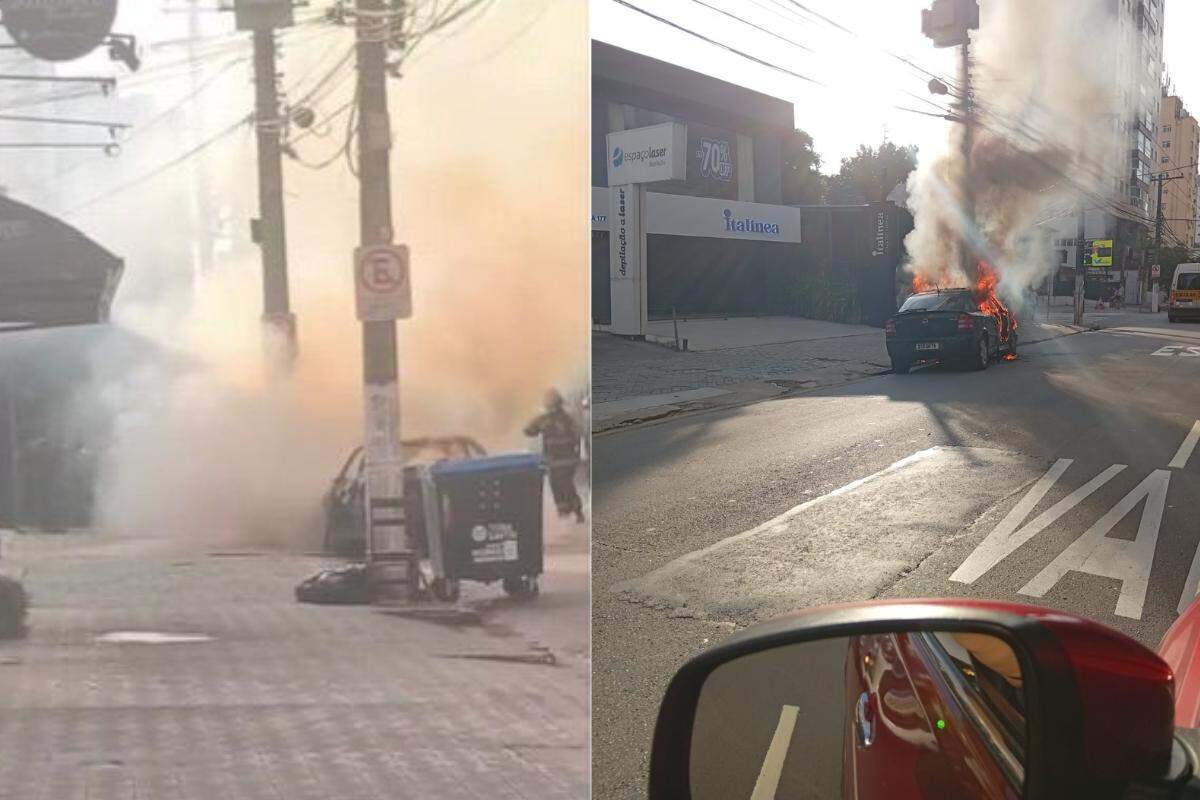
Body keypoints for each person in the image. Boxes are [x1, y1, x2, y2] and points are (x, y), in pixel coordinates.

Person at [525, 389, 585, 523]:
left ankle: (567, 512)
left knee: (558, 486)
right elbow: (579, 434)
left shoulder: (545, 419)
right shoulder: (568, 418)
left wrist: (538, 418)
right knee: (566, 485)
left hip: (556, 460)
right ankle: (572, 512)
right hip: (569, 460)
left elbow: (528, 431)